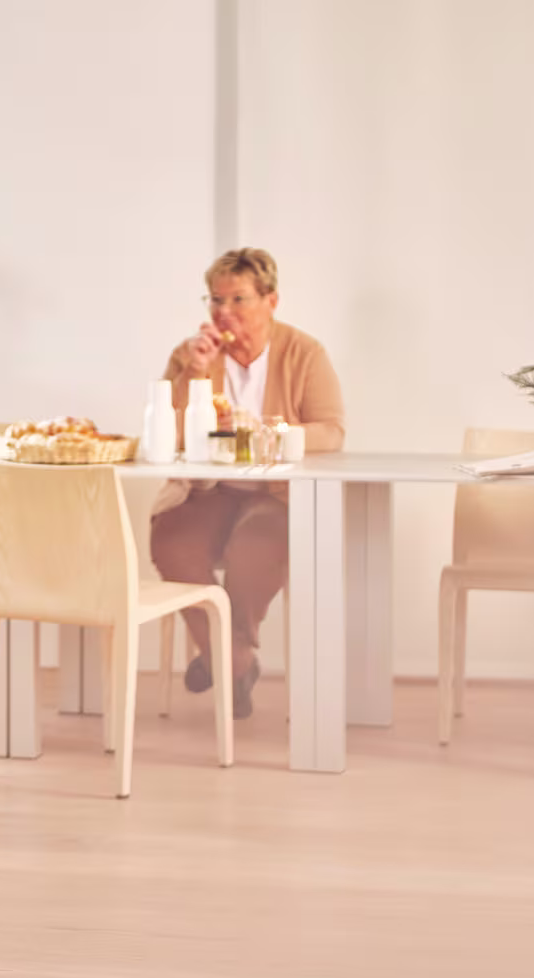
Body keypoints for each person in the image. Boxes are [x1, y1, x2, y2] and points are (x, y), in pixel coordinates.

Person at [151, 248, 345, 718]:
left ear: (270, 300)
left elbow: (332, 431)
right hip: (209, 490)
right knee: (171, 538)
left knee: (255, 550)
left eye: (238, 299)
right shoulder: (191, 354)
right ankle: (237, 661)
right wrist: (193, 373)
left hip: (273, 492)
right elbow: (170, 433)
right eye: (216, 300)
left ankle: (224, 658)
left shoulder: (305, 352)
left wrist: (269, 433)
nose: (224, 312)